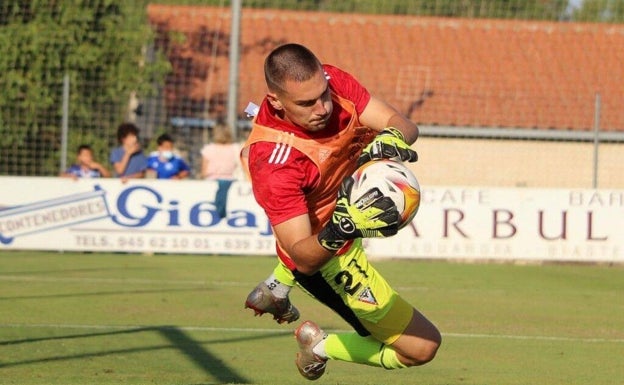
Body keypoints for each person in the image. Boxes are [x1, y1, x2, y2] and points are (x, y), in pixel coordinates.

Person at [240, 43, 440, 380]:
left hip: (343, 216)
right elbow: (304, 255)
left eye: (323, 94)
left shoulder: (331, 81)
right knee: (422, 347)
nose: (322, 107)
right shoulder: (273, 162)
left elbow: (403, 124)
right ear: (275, 101)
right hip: (328, 259)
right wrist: (343, 227)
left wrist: (393, 137)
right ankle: (317, 346)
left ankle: (276, 287)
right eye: (306, 103)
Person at [200, 124, 242, 218]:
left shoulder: (208, 149)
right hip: (230, 179)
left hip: (211, 180)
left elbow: (204, 171)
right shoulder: (235, 148)